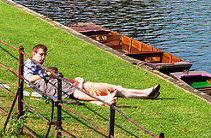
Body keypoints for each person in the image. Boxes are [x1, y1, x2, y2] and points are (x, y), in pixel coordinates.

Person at [23, 45, 158, 105]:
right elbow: (29, 79)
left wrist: (75, 80)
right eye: (41, 54)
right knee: (115, 90)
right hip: (78, 87)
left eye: (45, 55)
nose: (43, 57)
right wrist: (45, 75)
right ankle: (144, 94)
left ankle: (145, 93)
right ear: (33, 53)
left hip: (78, 84)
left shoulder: (41, 67)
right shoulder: (30, 65)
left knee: (116, 88)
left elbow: (59, 79)